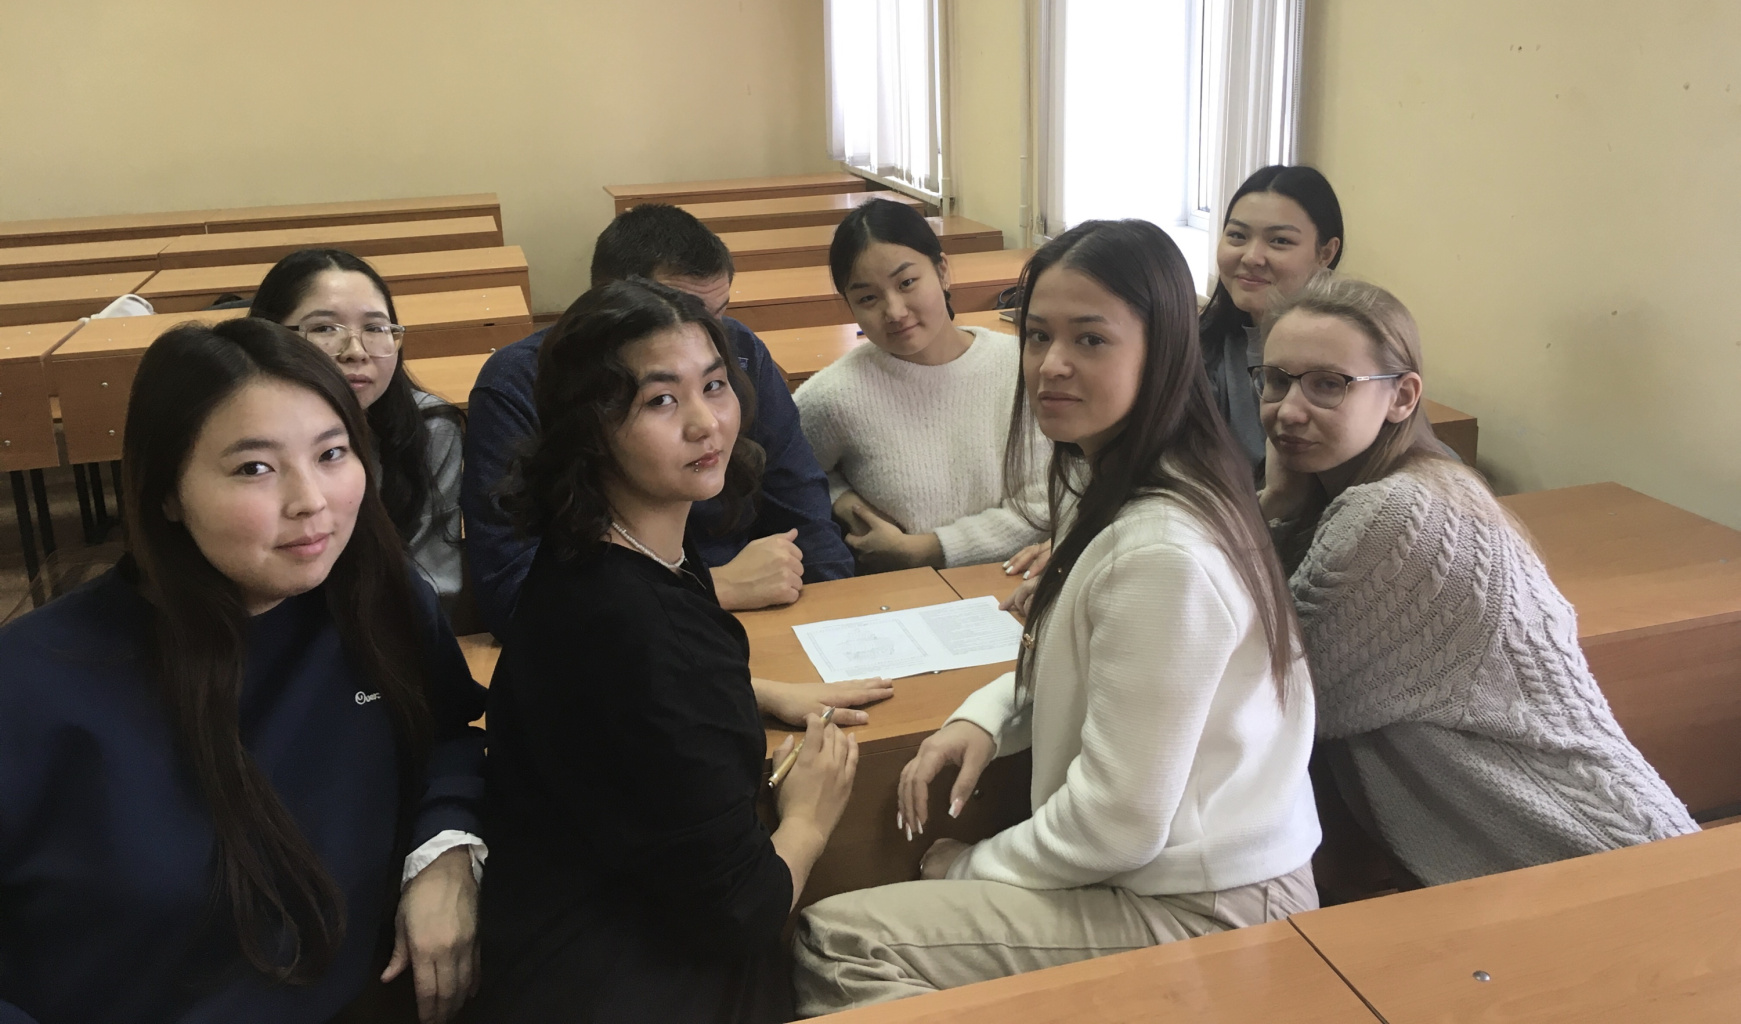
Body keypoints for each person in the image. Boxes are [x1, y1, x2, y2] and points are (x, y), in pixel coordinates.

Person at [791, 220, 1321, 1014]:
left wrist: (968, 869)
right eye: (1037, 336)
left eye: (1090, 339)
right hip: (1170, 874)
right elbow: (1083, 663)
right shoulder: (1113, 477)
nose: (1051, 365)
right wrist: (986, 716)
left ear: (1162, 351)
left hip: (1207, 902)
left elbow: (1117, 822)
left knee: (835, 940)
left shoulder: (1162, 550)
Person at [0, 319, 487, 1024]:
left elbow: (447, 735)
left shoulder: (378, 602)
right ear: (166, 492)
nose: (310, 500)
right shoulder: (32, 683)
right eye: (254, 468)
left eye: (332, 453)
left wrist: (445, 851)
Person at [472, 280, 860, 1022]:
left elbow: (626, 704)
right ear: (590, 426)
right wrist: (809, 818)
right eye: (659, 400)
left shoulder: (589, 552)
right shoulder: (641, 628)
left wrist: (747, 690)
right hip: (629, 983)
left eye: (713, 386)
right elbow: (741, 911)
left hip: (560, 940)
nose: (705, 423)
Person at [1255, 275, 1697, 886]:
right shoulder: (1408, 483)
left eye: (1328, 384)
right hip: (1538, 870)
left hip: (1597, 867)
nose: (1288, 409)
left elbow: (1268, 693)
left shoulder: (1397, 516)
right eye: (1276, 380)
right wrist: (1279, 502)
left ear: (1402, 397)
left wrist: (1268, 508)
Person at [462, 204, 851, 632]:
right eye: (680, 310)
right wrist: (712, 588)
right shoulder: (517, 382)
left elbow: (804, 511)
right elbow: (512, 594)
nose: (705, 337)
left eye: (718, 313)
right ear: (610, 304)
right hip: (608, 635)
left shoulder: (739, 350)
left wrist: (838, 618)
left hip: (754, 620)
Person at [1000, 165, 1345, 584]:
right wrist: (1082, 537)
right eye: (1237, 236)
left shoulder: (1349, 362)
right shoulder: (1200, 346)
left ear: (1326, 253)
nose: (1252, 256)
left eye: (1279, 241)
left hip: (1305, 566)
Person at [793, 199, 1046, 573]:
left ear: (942, 271)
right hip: (903, 595)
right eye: (867, 298)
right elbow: (788, 474)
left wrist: (927, 549)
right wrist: (843, 502)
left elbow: (1046, 504)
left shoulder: (1022, 367)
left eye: (907, 283)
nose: (894, 311)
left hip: (1016, 585)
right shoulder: (835, 396)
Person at [250, 249, 465, 613]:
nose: (355, 351)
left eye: (375, 328)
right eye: (324, 329)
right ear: (268, 336)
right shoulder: (237, 439)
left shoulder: (429, 429)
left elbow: (434, 576)